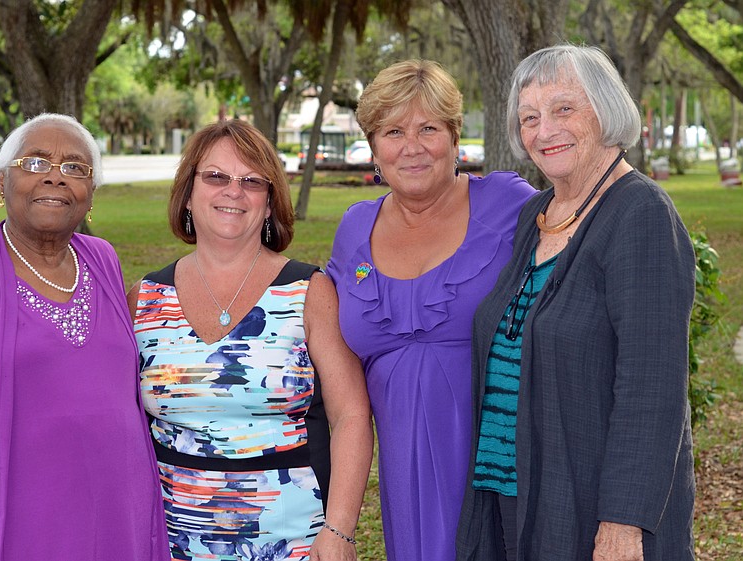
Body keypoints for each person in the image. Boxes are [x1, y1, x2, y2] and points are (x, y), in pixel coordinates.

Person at [455, 44, 696, 561]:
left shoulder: (641, 214)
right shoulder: (538, 214)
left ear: (606, 110)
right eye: (529, 117)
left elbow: (652, 389)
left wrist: (623, 522)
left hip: (590, 507)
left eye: (564, 108)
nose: (545, 130)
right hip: (512, 491)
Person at [0, 113, 169, 561]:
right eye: (36, 162)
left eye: (75, 167)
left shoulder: (102, 260)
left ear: (90, 193)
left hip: (119, 521)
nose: (55, 177)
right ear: (3, 182)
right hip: (17, 528)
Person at [128, 119, 373, 561]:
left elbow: (351, 416)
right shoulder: (144, 299)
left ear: (269, 202)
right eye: (216, 176)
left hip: (294, 541)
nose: (233, 191)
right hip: (170, 541)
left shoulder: (309, 292)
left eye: (251, 181)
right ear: (188, 194)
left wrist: (339, 530)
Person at [325, 59, 537, 560]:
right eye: (394, 131)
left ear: (454, 137)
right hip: (404, 476)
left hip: (500, 469)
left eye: (428, 129)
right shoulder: (354, 229)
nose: (412, 146)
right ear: (374, 148)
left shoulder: (508, 204)